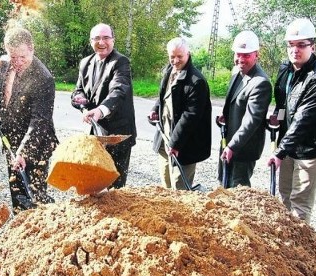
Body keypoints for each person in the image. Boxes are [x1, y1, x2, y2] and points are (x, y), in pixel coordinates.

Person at [267, 18, 316, 224]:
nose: (295, 50)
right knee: (284, 195)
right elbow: (282, 103)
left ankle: (297, 251)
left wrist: (280, 151)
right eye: (291, 45)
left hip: (312, 150)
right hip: (290, 144)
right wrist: (275, 120)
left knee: (300, 203)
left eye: (301, 45)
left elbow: (303, 119)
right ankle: (285, 244)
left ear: (312, 47)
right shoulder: (286, 70)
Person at [0, 27, 57, 211]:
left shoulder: (44, 78)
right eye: (13, 57)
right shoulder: (3, 65)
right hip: (10, 138)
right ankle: (19, 223)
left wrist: (24, 151)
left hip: (36, 145)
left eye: (23, 57)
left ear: (32, 49)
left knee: (36, 194)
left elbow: (40, 121)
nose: (18, 62)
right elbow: (0, 95)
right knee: (17, 190)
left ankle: (40, 230)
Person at [71, 23, 137, 188]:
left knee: (115, 188)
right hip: (93, 134)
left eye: (106, 37)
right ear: (90, 41)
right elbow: (78, 90)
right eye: (97, 38)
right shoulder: (85, 62)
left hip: (117, 134)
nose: (101, 42)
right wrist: (79, 100)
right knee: (94, 182)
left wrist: (101, 110)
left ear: (113, 40)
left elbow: (119, 90)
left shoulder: (121, 62)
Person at [148, 37, 211, 189]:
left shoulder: (197, 81)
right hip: (164, 138)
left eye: (179, 57)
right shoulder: (169, 72)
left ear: (188, 54)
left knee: (180, 187)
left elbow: (191, 116)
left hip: (184, 144)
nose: (175, 61)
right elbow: (163, 97)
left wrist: (175, 143)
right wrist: (155, 110)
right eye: (172, 57)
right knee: (166, 183)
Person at [218, 31, 271, 188]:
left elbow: (251, 121)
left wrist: (232, 146)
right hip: (228, 142)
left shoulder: (260, 82)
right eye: (238, 54)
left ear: (256, 55)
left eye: (246, 55)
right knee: (223, 186)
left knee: (238, 192)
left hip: (242, 149)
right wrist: (225, 115)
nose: (241, 59)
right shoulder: (237, 73)